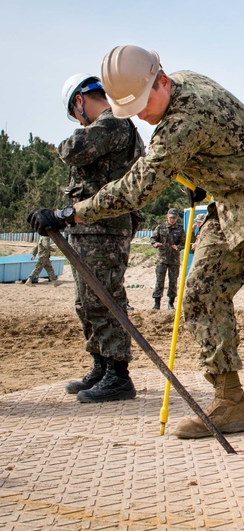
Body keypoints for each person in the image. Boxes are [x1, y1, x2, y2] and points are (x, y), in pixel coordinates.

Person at [28, 46, 244, 449]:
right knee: (199, 295)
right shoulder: (179, 85)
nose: (142, 117)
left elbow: (137, 188)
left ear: (160, 81)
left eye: (143, 106)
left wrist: (70, 213)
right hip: (230, 201)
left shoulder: (183, 119)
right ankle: (229, 401)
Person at [56, 73, 144, 403]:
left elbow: (72, 149)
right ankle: (101, 364)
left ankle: (118, 375)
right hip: (91, 226)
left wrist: (68, 141)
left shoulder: (114, 122)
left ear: (79, 100)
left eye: (75, 112)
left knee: (104, 298)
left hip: (105, 227)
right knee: (87, 301)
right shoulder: (115, 125)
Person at [151, 208, 183, 309]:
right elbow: (153, 238)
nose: (172, 219)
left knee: (173, 281)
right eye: (170, 218)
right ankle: (157, 303)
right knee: (159, 281)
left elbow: (184, 242)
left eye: (174, 218)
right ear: (167, 217)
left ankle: (171, 303)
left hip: (174, 260)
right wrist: (155, 244)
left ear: (177, 218)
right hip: (162, 259)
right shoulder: (160, 227)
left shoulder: (180, 229)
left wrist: (178, 247)